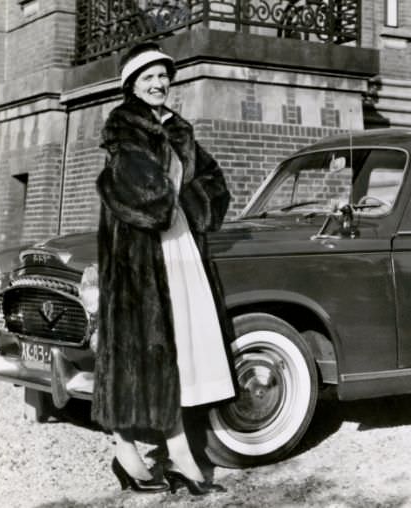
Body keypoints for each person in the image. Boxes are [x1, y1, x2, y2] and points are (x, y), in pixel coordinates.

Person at [92, 42, 235, 496]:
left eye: (163, 77)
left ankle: (175, 456)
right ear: (131, 84)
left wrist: (191, 200)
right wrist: (173, 190)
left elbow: (211, 183)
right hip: (137, 257)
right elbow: (145, 198)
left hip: (177, 248)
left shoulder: (177, 129)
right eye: (148, 77)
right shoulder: (123, 127)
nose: (158, 84)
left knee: (179, 351)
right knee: (139, 351)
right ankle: (132, 450)